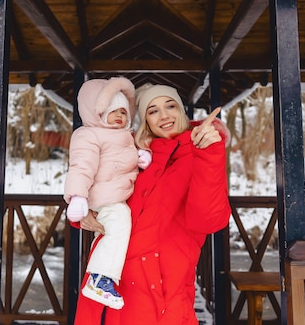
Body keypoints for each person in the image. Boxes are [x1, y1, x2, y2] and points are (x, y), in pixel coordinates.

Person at [72, 83, 231, 325]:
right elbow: (99, 182)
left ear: (182, 111)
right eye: (153, 110)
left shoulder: (201, 152)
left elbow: (208, 220)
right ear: (145, 120)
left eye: (170, 106)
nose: (164, 115)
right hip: (109, 283)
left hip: (160, 291)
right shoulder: (137, 154)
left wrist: (210, 153)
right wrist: (82, 212)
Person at [64, 76, 148, 310]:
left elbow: (124, 160)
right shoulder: (88, 135)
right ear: (97, 112)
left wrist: (141, 157)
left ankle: (101, 277)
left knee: (116, 228)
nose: (120, 116)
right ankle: (99, 278)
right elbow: (81, 167)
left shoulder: (125, 136)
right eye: (113, 111)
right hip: (101, 197)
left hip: (116, 194)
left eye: (123, 111)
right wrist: (77, 197)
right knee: (119, 220)